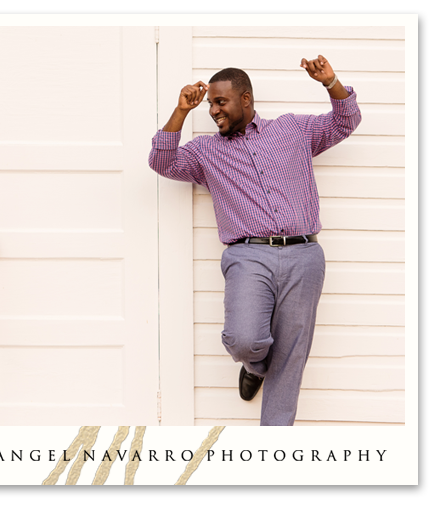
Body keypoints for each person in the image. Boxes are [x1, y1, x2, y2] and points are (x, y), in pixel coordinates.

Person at [148, 55, 362, 426]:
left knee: (292, 354)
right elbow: (161, 161)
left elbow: (346, 121)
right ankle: (256, 366)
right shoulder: (205, 152)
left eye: (220, 102)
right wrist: (181, 111)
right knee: (244, 339)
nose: (213, 110)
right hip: (248, 257)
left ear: (245, 99)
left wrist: (331, 83)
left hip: (305, 253)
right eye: (210, 103)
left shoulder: (293, 130)